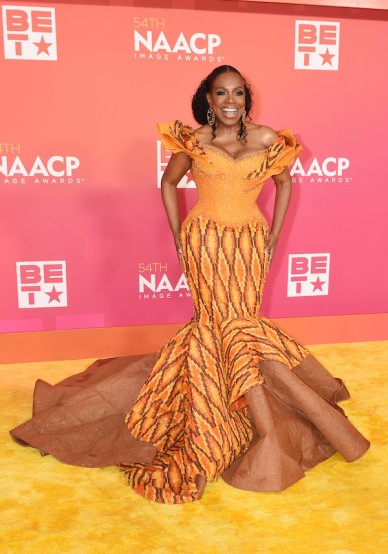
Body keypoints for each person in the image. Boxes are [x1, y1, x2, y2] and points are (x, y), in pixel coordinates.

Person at [10, 65, 369, 504]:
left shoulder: (268, 138)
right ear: (209, 99)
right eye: (222, 93)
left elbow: (284, 182)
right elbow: (168, 182)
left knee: (242, 321)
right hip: (205, 242)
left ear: (246, 98)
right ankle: (215, 407)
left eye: (238, 93)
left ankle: (251, 405)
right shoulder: (194, 141)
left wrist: (273, 236)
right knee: (215, 322)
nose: (231, 101)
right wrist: (180, 234)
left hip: (249, 243)